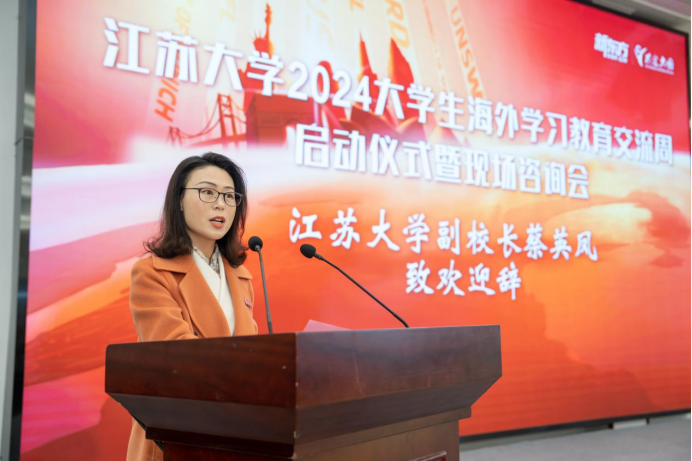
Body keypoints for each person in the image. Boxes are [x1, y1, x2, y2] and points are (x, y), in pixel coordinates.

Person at [126, 152, 258, 461]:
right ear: (180, 201)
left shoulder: (241, 276)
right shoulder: (152, 272)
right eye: (208, 192)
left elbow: (253, 356)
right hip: (175, 437)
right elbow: (176, 356)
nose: (220, 204)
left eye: (229, 196)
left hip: (234, 436)